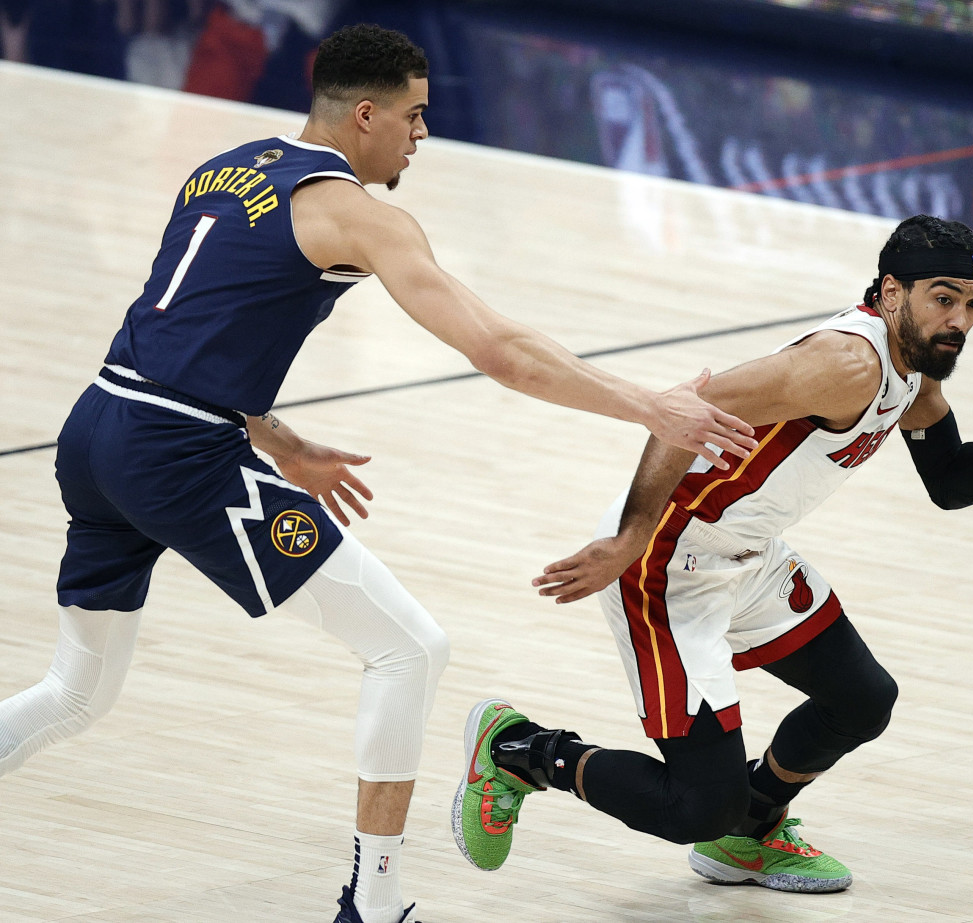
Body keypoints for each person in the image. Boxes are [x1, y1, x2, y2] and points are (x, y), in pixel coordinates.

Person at [0, 23, 757, 923]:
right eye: (414, 115)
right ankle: (377, 903)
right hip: (176, 454)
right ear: (366, 114)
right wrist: (647, 405)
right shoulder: (358, 214)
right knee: (410, 647)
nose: (421, 135)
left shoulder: (223, 167)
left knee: (75, 691)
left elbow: (187, 326)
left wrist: (277, 439)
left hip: (96, 428)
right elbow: (503, 350)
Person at [453, 214, 973, 893]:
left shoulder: (914, 368)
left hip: (748, 556)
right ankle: (523, 752)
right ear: (893, 293)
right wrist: (629, 536)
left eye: (972, 303)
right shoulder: (847, 364)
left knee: (863, 699)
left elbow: (947, 479)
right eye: (943, 298)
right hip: (666, 560)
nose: (960, 319)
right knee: (697, 806)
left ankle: (752, 830)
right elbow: (687, 406)